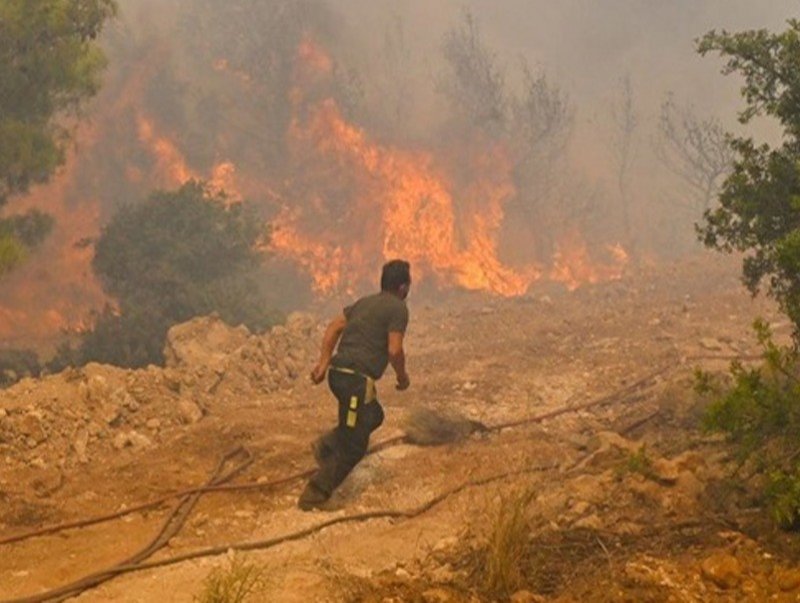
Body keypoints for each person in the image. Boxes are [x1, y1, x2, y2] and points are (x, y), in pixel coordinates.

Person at [298, 259, 412, 511]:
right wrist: (402, 377)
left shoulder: (364, 302)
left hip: (339, 375)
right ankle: (315, 494)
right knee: (354, 446)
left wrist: (323, 364)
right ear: (403, 288)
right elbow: (395, 349)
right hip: (355, 382)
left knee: (373, 415)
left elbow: (334, 327)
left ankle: (327, 444)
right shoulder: (398, 308)